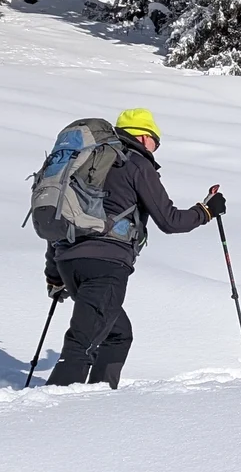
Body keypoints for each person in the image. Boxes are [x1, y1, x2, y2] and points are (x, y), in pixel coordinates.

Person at [44, 108, 223, 388]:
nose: (156, 148)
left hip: (70, 262)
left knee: (117, 334)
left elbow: (61, 216)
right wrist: (205, 211)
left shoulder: (88, 162)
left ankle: (99, 396)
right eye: (156, 141)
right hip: (107, 264)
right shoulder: (136, 164)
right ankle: (54, 409)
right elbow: (170, 220)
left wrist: (54, 273)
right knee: (82, 344)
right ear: (143, 136)